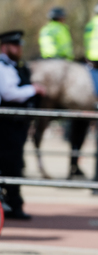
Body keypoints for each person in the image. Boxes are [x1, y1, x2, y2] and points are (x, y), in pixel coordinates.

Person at [0, 30, 45, 219]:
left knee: (14, 163)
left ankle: (11, 203)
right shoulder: (2, 66)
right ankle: (13, 205)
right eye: (15, 45)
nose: (19, 49)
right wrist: (32, 89)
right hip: (6, 124)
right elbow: (9, 93)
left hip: (16, 125)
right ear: (5, 46)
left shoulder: (15, 66)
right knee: (11, 164)